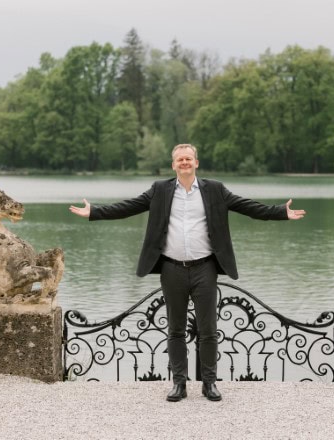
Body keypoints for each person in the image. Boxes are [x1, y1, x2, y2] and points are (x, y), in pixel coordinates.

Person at [69, 144, 305, 402]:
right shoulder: (160, 190)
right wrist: (94, 212)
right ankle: (179, 384)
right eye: (179, 159)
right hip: (172, 268)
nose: (184, 163)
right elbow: (128, 207)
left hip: (205, 267)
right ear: (173, 165)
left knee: (209, 331)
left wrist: (281, 212)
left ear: (196, 163)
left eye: (188, 159)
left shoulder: (215, 190)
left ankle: (209, 383)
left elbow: (248, 207)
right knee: (175, 330)